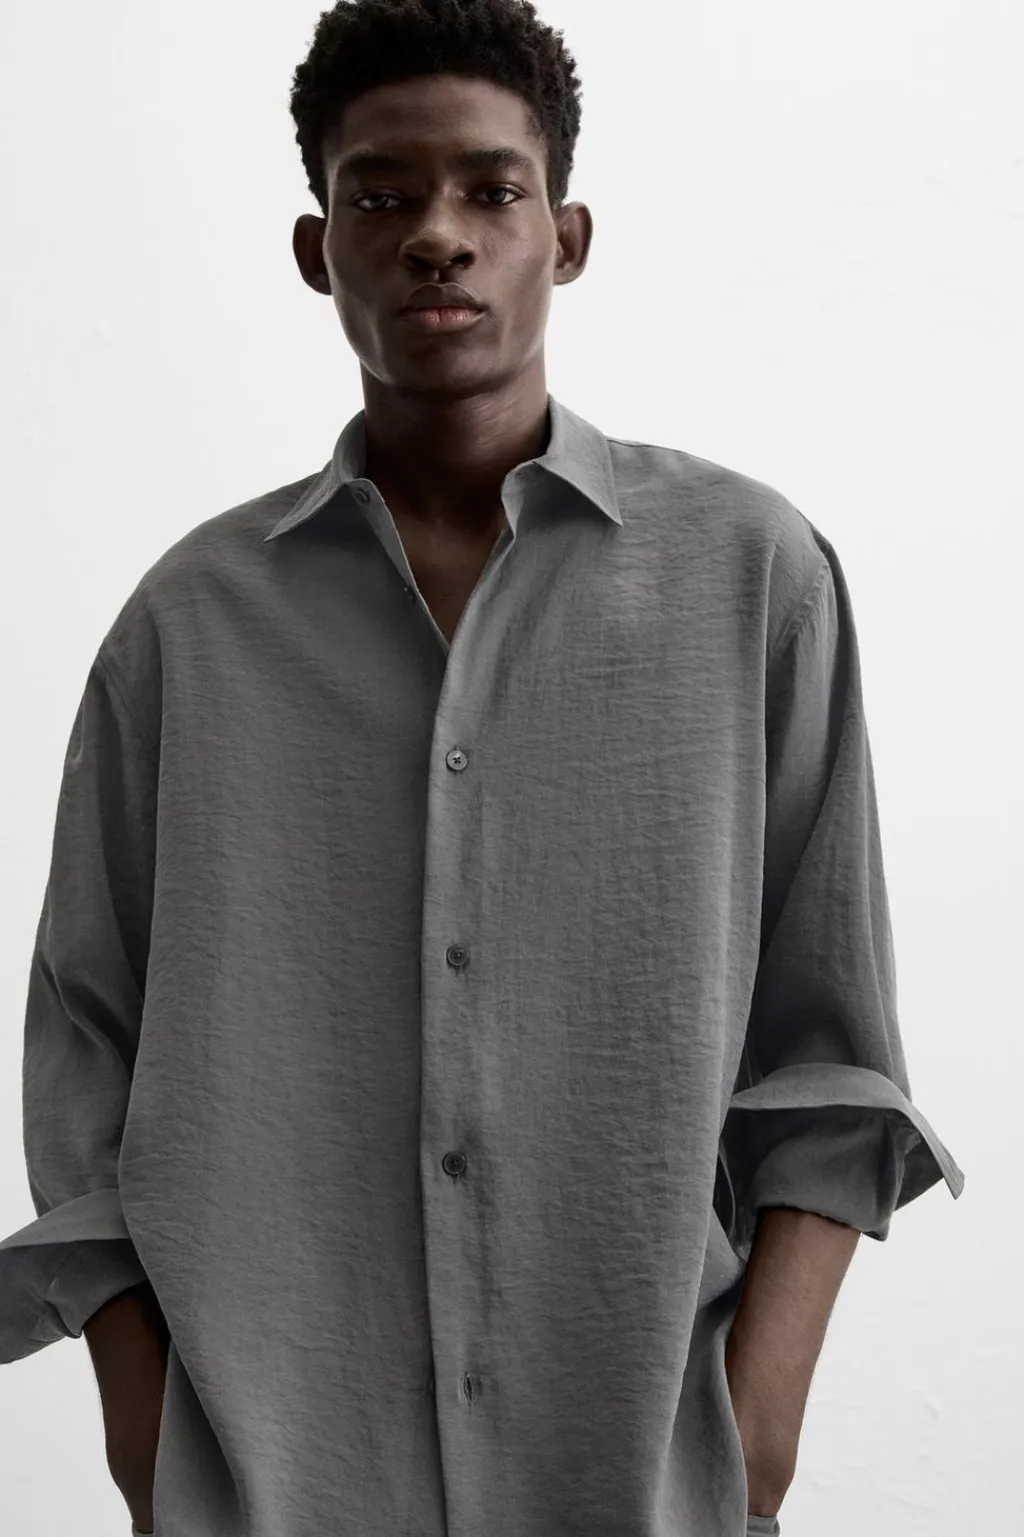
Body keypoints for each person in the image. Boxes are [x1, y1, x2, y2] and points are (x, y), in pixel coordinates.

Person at [0, 2, 965, 1534]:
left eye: (491, 191)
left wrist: (757, 1426)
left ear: (565, 238)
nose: (437, 235)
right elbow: (83, 1053)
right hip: (276, 1485)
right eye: (381, 195)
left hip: (642, 1480)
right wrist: (145, 1429)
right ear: (318, 248)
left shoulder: (752, 578)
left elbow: (831, 1041)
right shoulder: (187, 626)